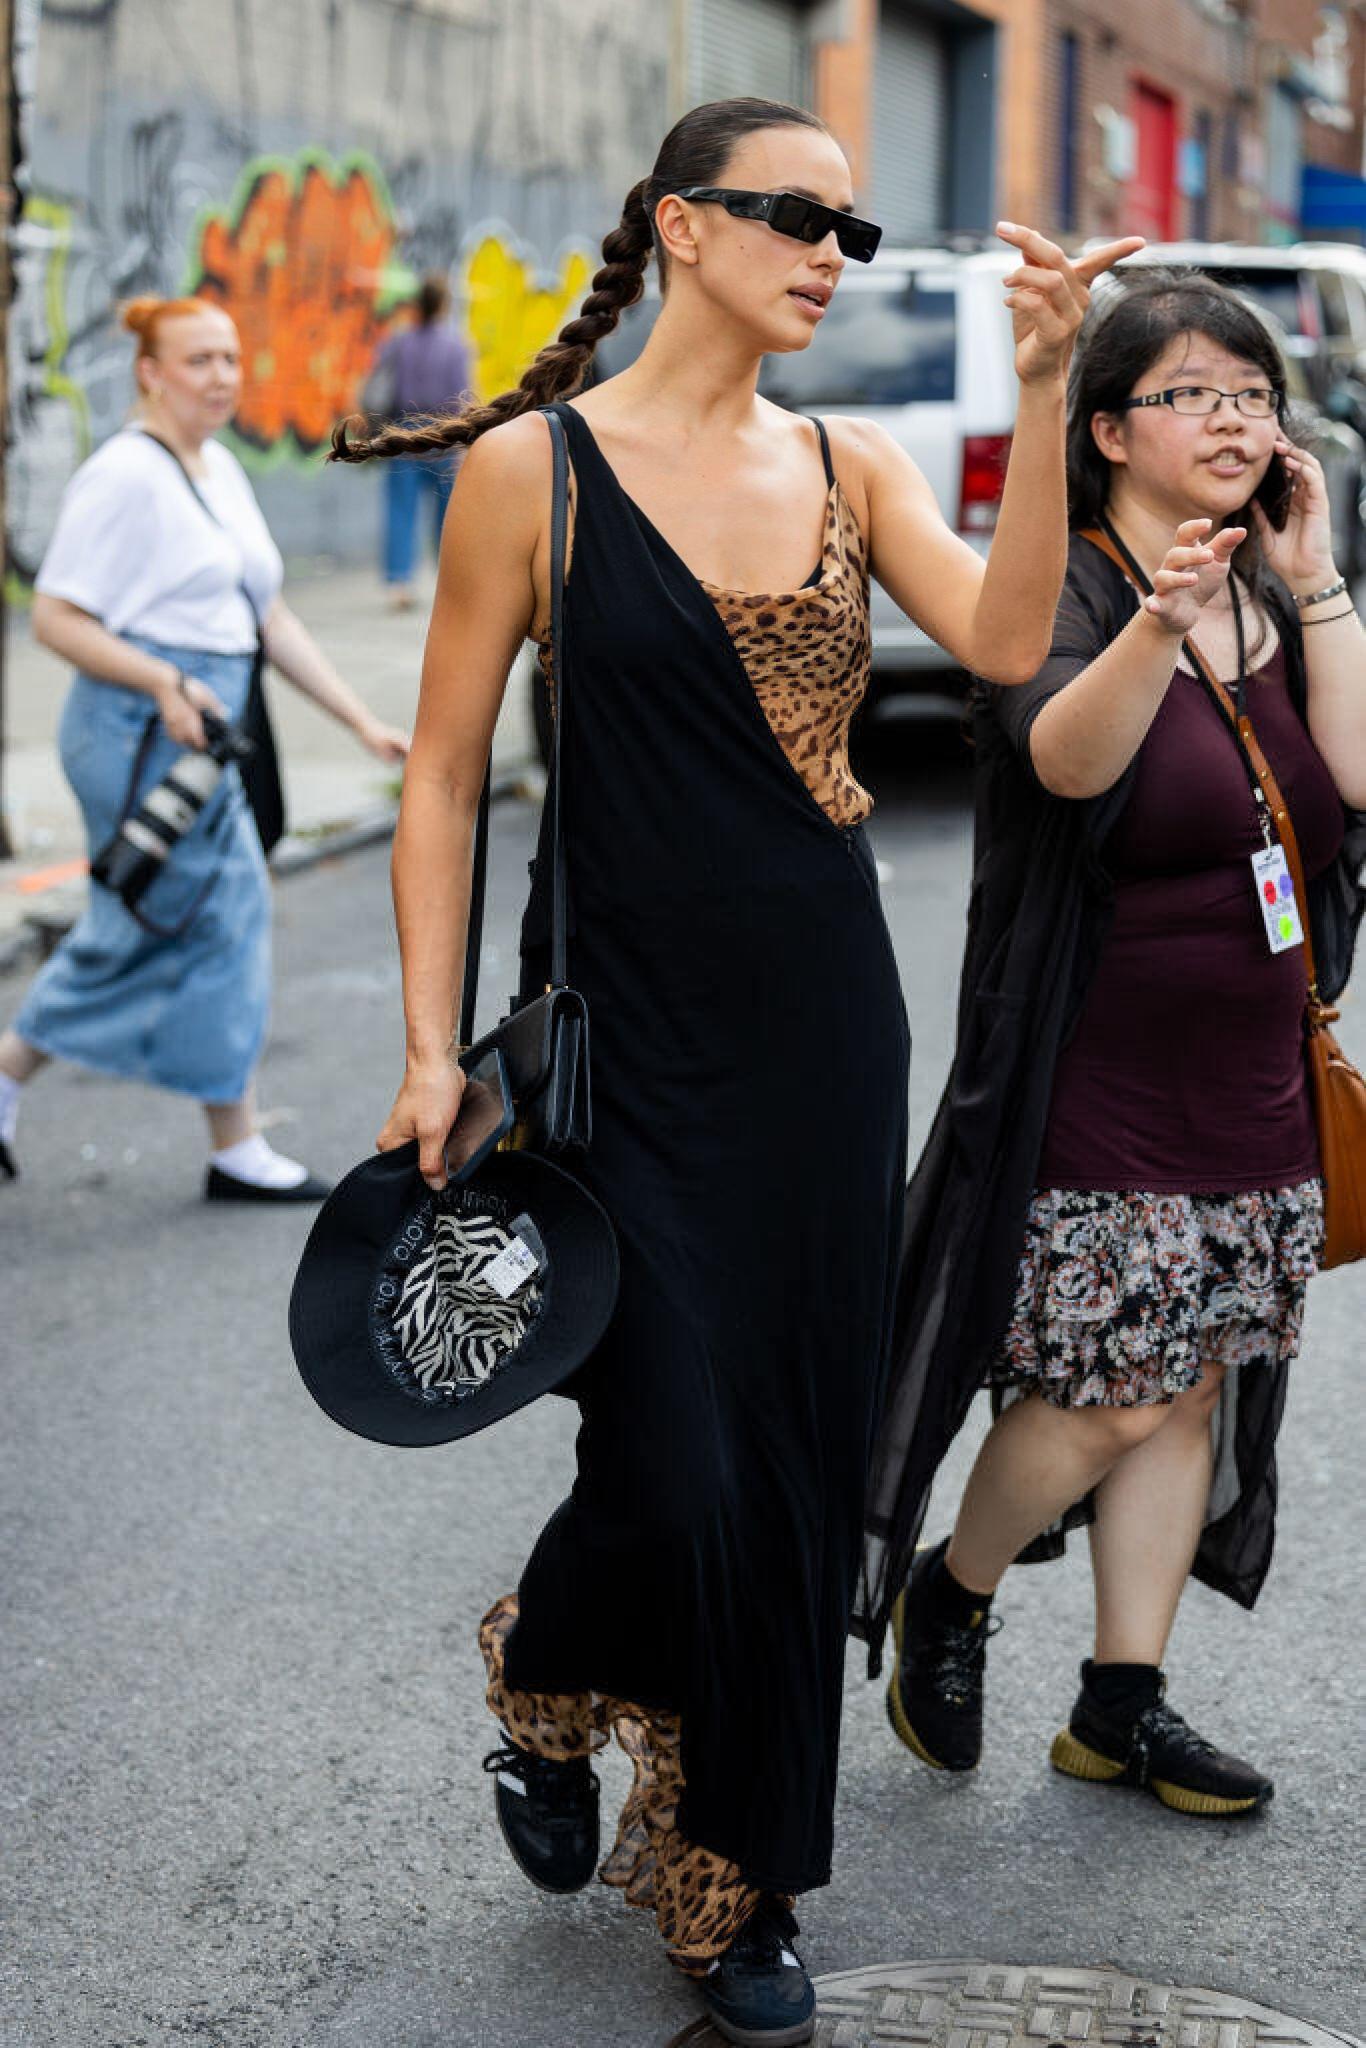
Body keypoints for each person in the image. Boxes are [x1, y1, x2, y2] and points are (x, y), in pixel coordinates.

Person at [332, 97, 1136, 2045]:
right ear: (682, 226)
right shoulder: (536, 474)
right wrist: (430, 1044)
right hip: (614, 1051)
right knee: (675, 1464)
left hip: (816, 1045)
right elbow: (439, 776)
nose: (828, 256)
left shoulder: (849, 465)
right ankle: (547, 1669)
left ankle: (733, 1875)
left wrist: (1040, 398)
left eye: (849, 233)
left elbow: (1011, 639)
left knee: (778, 1471)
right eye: (796, 218)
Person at [862, 273, 1366, 1822]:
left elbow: (1348, 784)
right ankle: (953, 1589)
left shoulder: (1274, 592)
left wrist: (1319, 578)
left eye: (1250, 394)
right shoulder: (1067, 587)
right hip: (1094, 1071)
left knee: (1195, 1382)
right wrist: (1155, 623)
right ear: (1104, 431)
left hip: (1254, 1070)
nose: (1232, 419)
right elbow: (1062, 763)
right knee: (1108, 1391)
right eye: (1191, 394)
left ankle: (1117, 1704)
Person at [0, 295, 409, 1199]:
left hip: (202, 731)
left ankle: (37, 1082)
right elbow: (58, 621)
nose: (222, 377)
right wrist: (161, 680)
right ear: (149, 370)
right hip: (140, 733)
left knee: (178, 920)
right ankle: (234, 1144)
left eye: (230, 359)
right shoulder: (123, 476)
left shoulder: (216, 466)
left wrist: (356, 720)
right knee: (215, 915)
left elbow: (266, 615)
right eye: (198, 361)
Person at [364, 273, 471, 610]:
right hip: (445, 433)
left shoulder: (399, 342)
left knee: (401, 510)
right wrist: (465, 443)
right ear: (442, 305)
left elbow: (377, 387)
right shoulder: (456, 345)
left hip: (404, 433)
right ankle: (450, 584)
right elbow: (462, 397)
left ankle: (400, 584)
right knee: (447, 516)